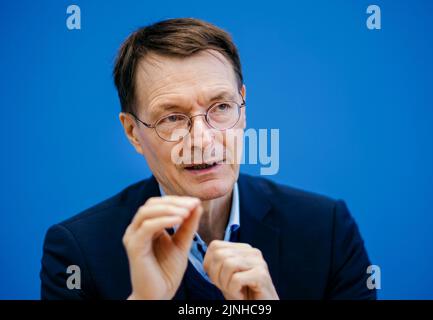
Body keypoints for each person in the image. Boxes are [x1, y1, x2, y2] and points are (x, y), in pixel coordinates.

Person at [40, 18, 376, 300]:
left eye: (221, 108)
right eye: (171, 117)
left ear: (243, 107)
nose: (202, 139)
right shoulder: (78, 253)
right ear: (132, 132)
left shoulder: (327, 229)